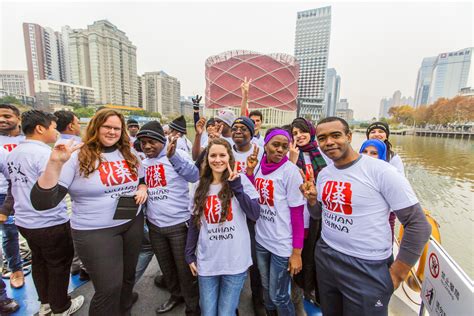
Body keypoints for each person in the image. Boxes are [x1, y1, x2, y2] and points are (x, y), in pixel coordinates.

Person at [30, 108, 148, 315]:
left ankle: (124, 311)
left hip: (132, 223)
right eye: (107, 127)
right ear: (96, 127)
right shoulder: (77, 155)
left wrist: (142, 188)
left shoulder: (129, 153)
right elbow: (44, 201)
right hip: (96, 231)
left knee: (128, 278)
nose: (112, 132)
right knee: (109, 287)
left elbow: (141, 178)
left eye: (117, 128)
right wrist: (55, 163)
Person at [313, 117, 431, 316]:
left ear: (349, 136)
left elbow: (418, 225)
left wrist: (396, 274)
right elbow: (320, 213)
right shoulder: (324, 174)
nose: (329, 142)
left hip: (367, 264)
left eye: (335, 135)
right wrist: (310, 201)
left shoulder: (382, 171)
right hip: (327, 256)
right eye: (322, 138)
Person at [5, 110, 84, 316]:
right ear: (40, 128)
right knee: (59, 263)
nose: (56, 131)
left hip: (25, 221)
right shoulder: (43, 154)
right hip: (48, 220)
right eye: (53, 127)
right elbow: (52, 186)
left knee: (40, 261)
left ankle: (46, 303)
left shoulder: (13, 153)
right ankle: (61, 307)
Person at [185, 138, 261, 316]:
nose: (217, 160)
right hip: (208, 260)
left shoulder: (241, 180)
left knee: (226, 312)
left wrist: (237, 188)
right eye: (213, 155)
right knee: (208, 312)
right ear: (207, 159)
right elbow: (195, 224)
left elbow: (254, 214)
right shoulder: (198, 186)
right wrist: (189, 255)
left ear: (230, 158)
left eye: (222, 155)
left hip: (235, 261)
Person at [137, 121, 200, 315]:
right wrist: (143, 185)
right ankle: (175, 295)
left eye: (151, 142)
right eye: (143, 142)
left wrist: (173, 157)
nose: (147, 146)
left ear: (162, 141)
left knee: (184, 270)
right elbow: (139, 183)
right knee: (167, 267)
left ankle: (192, 306)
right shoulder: (143, 162)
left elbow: (194, 175)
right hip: (155, 226)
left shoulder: (177, 155)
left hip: (179, 225)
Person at [248, 128, 305, 316]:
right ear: (266, 146)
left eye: (284, 146)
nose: (280, 150)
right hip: (262, 240)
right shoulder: (258, 166)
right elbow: (251, 194)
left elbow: (297, 215)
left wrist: (296, 253)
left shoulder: (290, 172)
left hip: (282, 244)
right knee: (266, 289)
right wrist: (249, 172)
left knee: (279, 295)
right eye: (275, 145)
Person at [289, 117, 328, 307]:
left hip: (320, 212)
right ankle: (300, 293)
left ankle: (312, 293)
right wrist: (292, 160)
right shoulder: (292, 155)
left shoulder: (322, 153)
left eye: (302, 131)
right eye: (295, 134)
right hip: (300, 213)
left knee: (315, 255)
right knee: (301, 254)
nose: (299, 136)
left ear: (311, 131)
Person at [230, 117, 265, 315]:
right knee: (232, 255)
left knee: (254, 259)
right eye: (234, 128)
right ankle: (231, 301)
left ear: (252, 133)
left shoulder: (260, 154)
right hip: (230, 212)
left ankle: (257, 298)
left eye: (243, 129)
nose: (238, 131)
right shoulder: (227, 153)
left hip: (251, 212)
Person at [0, 104, 25, 289]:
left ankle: (17, 268)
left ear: (18, 118)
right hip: (3, 194)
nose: (2, 120)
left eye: (7, 116)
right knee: (9, 233)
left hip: (22, 192)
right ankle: (14, 268)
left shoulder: (28, 140)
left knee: (13, 231)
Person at [366, 121, 405, 240]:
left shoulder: (393, 157)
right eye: (373, 132)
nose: (376, 134)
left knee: (387, 235)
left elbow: (399, 183)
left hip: (387, 207)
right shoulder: (362, 153)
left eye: (381, 131)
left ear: (387, 135)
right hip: (367, 205)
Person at [0, 147, 20, 315]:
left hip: (2, 197)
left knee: (9, 235)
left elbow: (14, 181)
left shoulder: (1, 153)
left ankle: (1, 296)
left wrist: (5, 208)